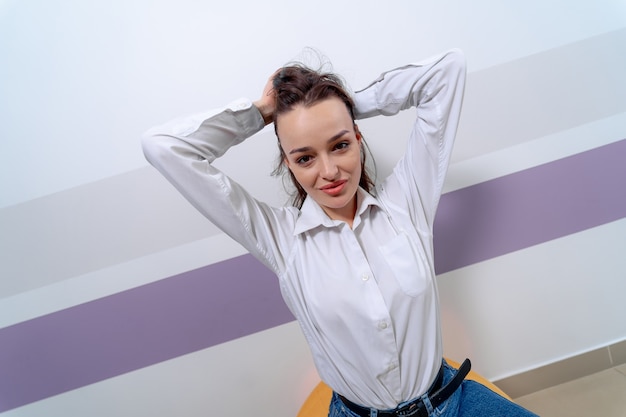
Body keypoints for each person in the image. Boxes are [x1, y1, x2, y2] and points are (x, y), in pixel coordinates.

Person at [142, 49, 538, 417]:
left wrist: (344, 106)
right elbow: (163, 148)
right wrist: (262, 112)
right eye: (305, 157)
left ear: (357, 139)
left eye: (340, 144)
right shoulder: (281, 240)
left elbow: (447, 70)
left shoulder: (406, 204)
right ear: (288, 163)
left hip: (450, 403)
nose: (329, 171)